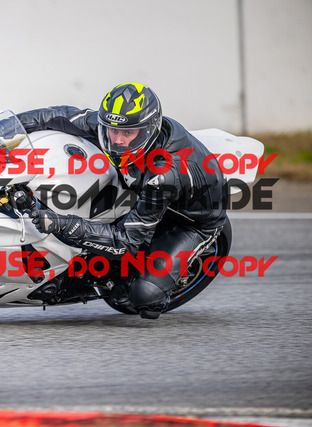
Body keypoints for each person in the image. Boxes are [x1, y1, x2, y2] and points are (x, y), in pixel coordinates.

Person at [19, 82, 228, 319]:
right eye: (113, 131)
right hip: (144, 194)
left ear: (148, 130)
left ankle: (157, 285)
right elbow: (57, 116)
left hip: (191, 221)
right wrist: (4, 130)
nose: (117, 140)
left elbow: (127, 242)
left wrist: (61, 224)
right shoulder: (114, 126)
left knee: (140, 295)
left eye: (128, 133)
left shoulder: (164, 174)